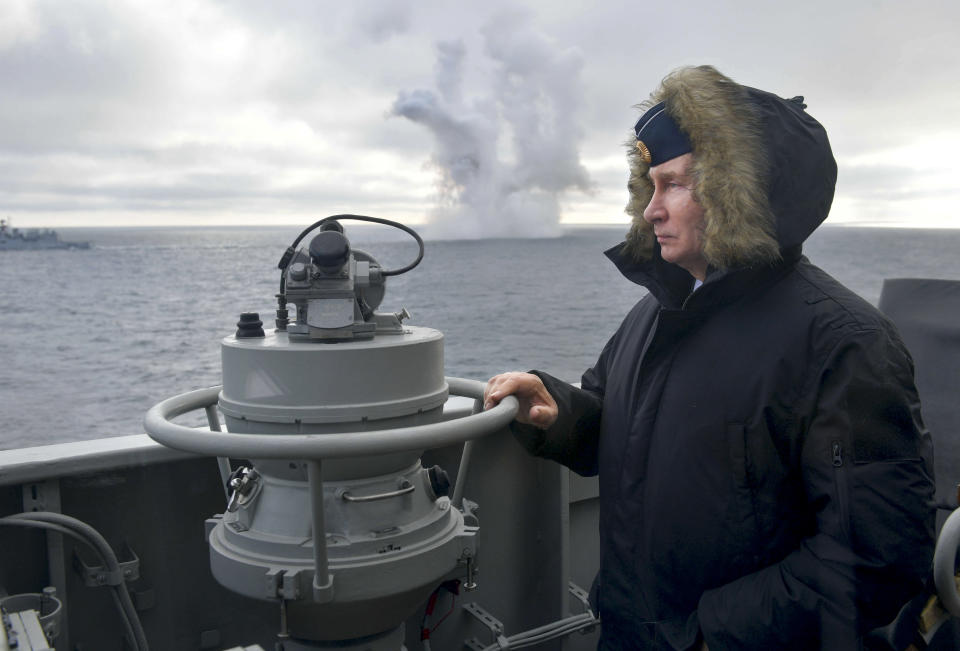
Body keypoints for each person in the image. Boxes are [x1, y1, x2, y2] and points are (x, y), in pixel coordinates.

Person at [483, 66, 935, 650]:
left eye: (674, 184)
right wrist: (558, 412)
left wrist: (701, 637)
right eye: (649, 186)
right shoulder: (659, 311)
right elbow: (614, 420)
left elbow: (876, 558)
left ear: (738, 192)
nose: (650, 209)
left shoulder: (843, 341)